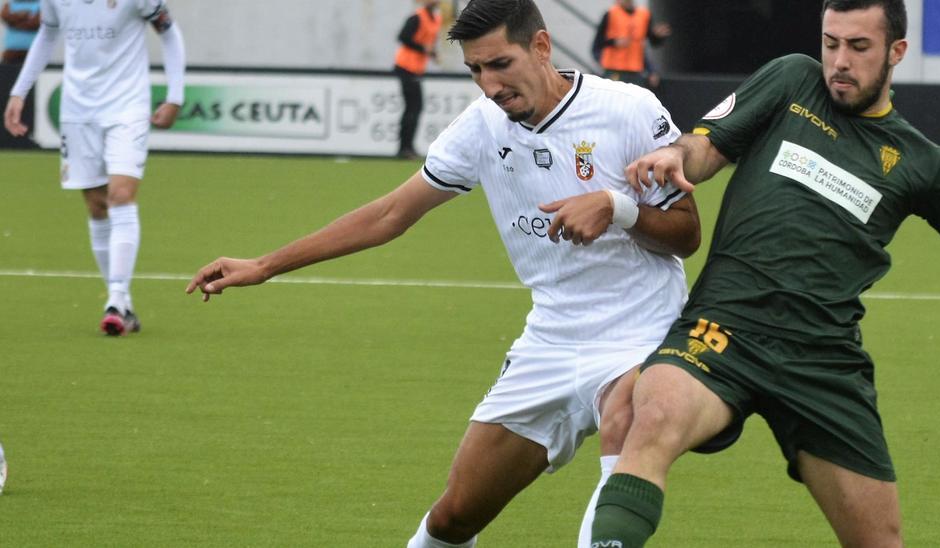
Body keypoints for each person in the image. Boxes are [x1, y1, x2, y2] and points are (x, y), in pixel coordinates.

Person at [588, 1, 940, 546]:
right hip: (723, 327)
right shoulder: (792, 79)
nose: (839, 61)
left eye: (859, 47)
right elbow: (704, 149)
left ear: (897, 52)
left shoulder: (923, 162)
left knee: (879, 540)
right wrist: (679, 154)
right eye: (831, 43)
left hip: (822, 361)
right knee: (648, 420)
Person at [185, 1, 698, 547]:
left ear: (541, 47)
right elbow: (390, 214)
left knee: (626, 409)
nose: (490, 85)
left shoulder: (628, 109)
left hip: (642, 332)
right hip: (552, 337)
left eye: (500, 64)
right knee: (454, 517)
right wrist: (264, 266)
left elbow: (686, 234)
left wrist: (615, 207)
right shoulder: (480, 128)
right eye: (476, 70)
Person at [5, 0, 186, 336]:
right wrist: (19, 91)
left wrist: (175, 96)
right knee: (96, 205)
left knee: (121, 195)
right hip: (78, 110)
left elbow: (169, 33)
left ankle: (115, 298)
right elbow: (47, 33)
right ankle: (124, 305)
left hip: (127, 108)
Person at [394, 0, 444, 159]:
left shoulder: (436, 18)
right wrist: (423, 49)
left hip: (417, 68)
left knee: (414, 108)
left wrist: (432, 53)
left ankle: (407, 147)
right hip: (405, 66)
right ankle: (404, 148)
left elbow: (428, 42)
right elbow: (403, 37)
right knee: (413, 107)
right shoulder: (417, 17)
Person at [591, 0, 670, 87]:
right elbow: (598, 43)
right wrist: (614, 42)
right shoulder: (610, 14)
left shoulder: (644, 15)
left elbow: (652, 43)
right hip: (614, 69)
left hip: (635, 70)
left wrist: (657, 36)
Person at [1, 0, 40, 65]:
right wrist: (25, 15)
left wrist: (15, 22)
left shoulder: (41, 5)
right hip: (11, 51)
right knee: (8, 73)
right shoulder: (10, 4)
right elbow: (5, 16)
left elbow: (37, 22)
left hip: (33, 51)